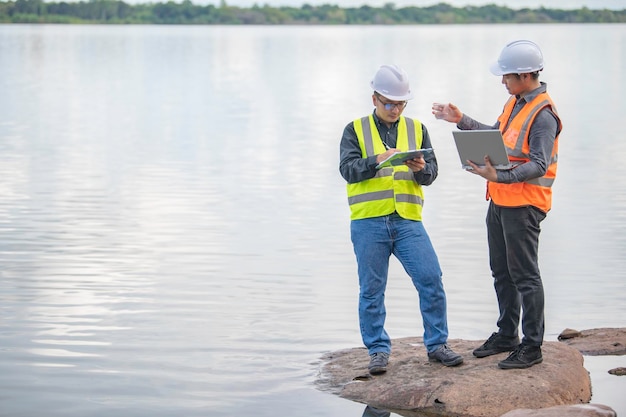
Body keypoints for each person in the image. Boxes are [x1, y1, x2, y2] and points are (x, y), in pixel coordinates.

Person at [432, 40, 562, 369]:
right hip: (501, 200)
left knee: (525, 276)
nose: (502, 81)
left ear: (524, 75)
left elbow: (537, 163)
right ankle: (508, 334)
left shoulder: (544, 115)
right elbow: (497, 136)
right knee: (502, 271)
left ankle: (532, 347)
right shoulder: (515, 103)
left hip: (524, 204)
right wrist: (461, 120)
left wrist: (498, 176)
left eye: (506, 76)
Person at [339, 64, 463, 375]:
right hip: (368, 222)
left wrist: (422, 168)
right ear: (374, 99)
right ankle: (378, 350)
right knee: (371, 289)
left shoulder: (418, 129)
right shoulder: (354, 130)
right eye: (389, 103)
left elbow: (431, 174)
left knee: (431, 278)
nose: (395, 109)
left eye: (401, 103)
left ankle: (437, 345)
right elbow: (347, 170)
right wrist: (375, 160)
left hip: (408, 221)